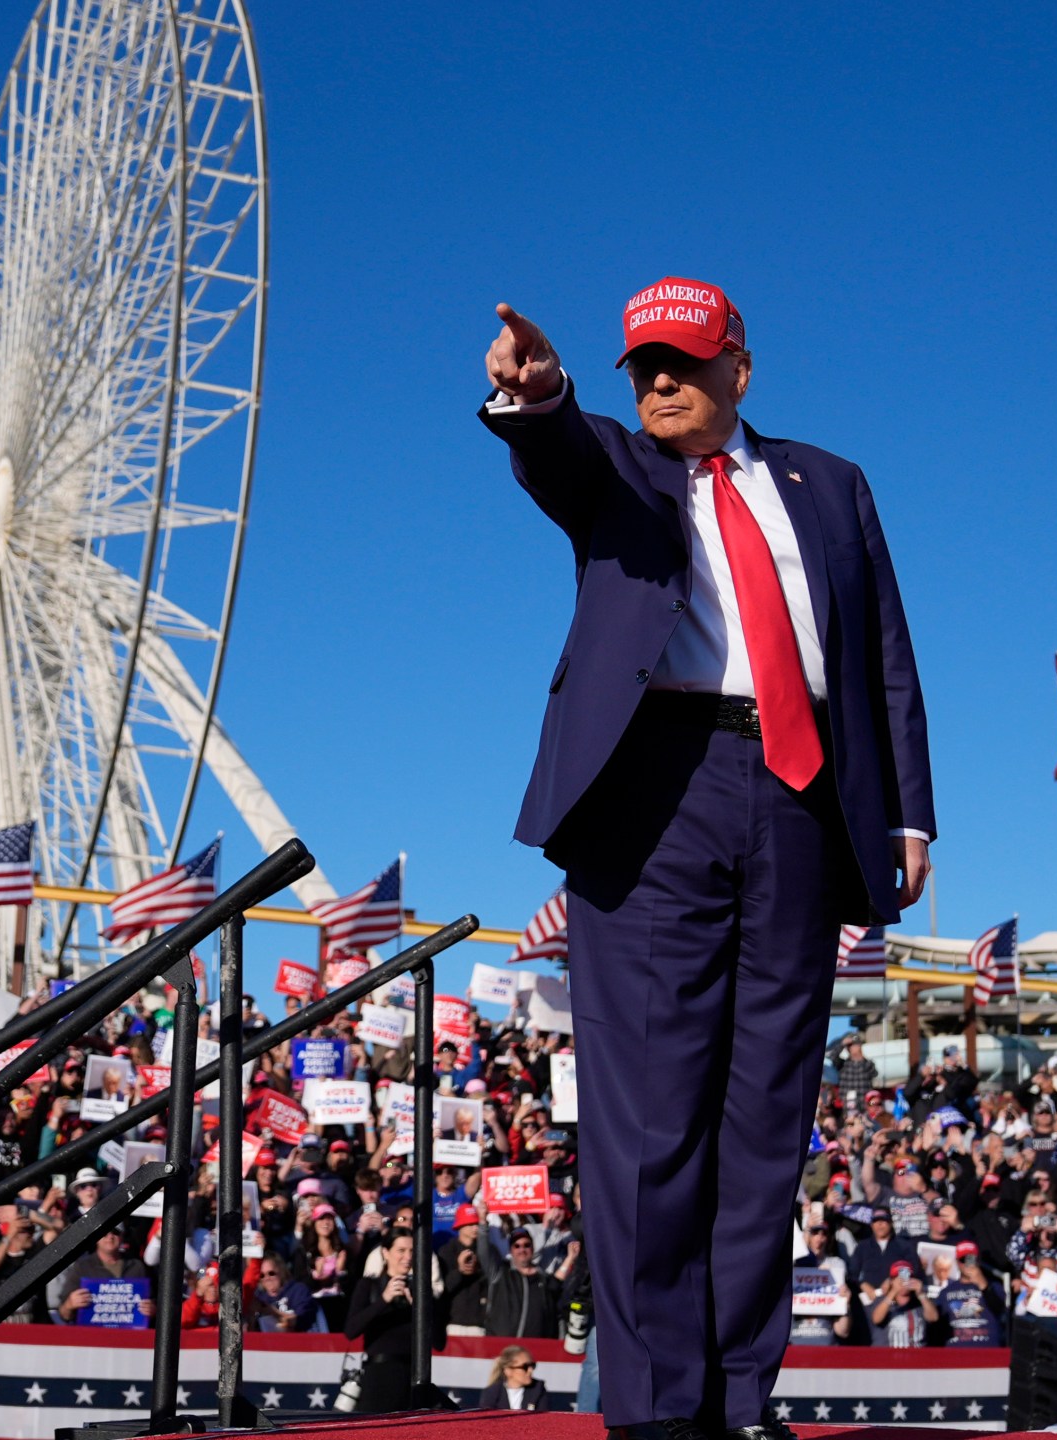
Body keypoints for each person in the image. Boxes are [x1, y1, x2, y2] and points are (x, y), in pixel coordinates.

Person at [480, 279, 932, 1438]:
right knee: (649, 1120)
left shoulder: (830, 483)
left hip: (801, 796)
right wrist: (539, 400)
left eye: (682, 362)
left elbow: (882, 651)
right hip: (652, 794)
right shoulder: (617, 467)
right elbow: (556, 455)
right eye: (643, 366)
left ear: (740, 367)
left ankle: (737, 1400)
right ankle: (654, 1410)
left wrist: (906, 815)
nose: (660, 383)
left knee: (766, 1117)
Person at [345, 1230, 441, 1412]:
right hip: (378, 1378)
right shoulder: (369, 1285)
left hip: (414, 1380)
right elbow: (351, 1330)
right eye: (401, 1250)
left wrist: (419, 1308)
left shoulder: (422, 1290)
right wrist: (384, 1299)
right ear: (385, 1252)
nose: (408, 1257)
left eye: (412, 1251)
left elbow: (439, 1342)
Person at [476, 1344, 552, 1411]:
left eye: (532, 1365)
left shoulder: (538, 1388)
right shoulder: (491, 1393)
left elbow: (542, 1418)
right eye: (525, 1367)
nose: (530, 1370)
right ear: (508, 1371)